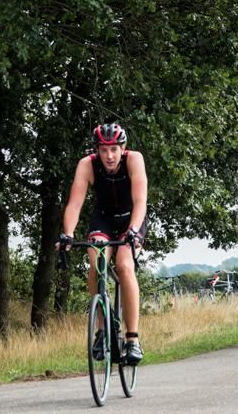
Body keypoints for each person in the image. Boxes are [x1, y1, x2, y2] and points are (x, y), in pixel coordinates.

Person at [56, 123, 147, 364]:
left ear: (122, 149)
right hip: (103, 219)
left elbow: (140, 201)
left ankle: (132, 339)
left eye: (114, 149)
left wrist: (133, 231)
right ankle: (101, 329)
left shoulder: (134, 160)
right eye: (104, 150)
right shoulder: (87, 165)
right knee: (97, 263)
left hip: (131, 218)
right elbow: (74, 204)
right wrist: (68, 234)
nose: (109, 156)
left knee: (125, 265)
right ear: (97, 150)